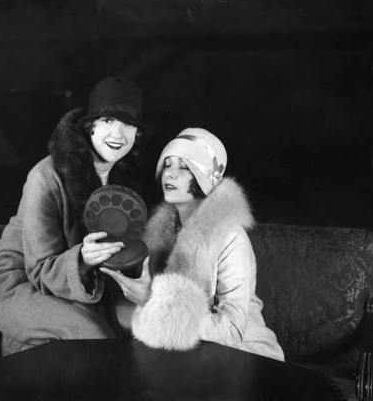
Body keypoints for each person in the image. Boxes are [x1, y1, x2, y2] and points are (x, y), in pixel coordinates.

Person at [0, 76, 152, 355]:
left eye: (129, 124)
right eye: (108, 121)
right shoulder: (44, 176)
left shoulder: (121, 180)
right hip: (21, 281)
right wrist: (83, 258)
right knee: (95, 336)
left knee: (141, 334)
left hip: (75, 284)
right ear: (90, 126)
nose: (119, 135)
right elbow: (38, 269)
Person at [101, 128, 285, 361]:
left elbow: (232, 331)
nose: (170, 173)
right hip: (187, 354)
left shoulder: (231, 237)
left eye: (184, 166)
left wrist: (151, 300)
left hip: (245, 356)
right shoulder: (163, 233)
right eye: (167, 164)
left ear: (205, 176)